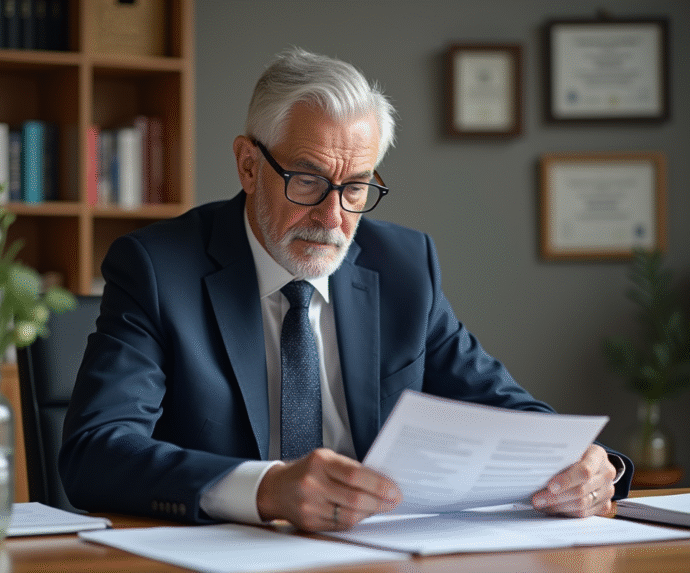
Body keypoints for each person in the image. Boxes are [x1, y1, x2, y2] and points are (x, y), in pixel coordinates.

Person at [59, 48, 633, 532]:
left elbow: (509, 413)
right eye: (308, 179)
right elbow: (95, 451)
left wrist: (586, 466)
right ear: (248, 165)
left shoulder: (404, 267)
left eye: (355, 187)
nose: (334, 217)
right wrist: (267, 490)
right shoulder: (159, 269)